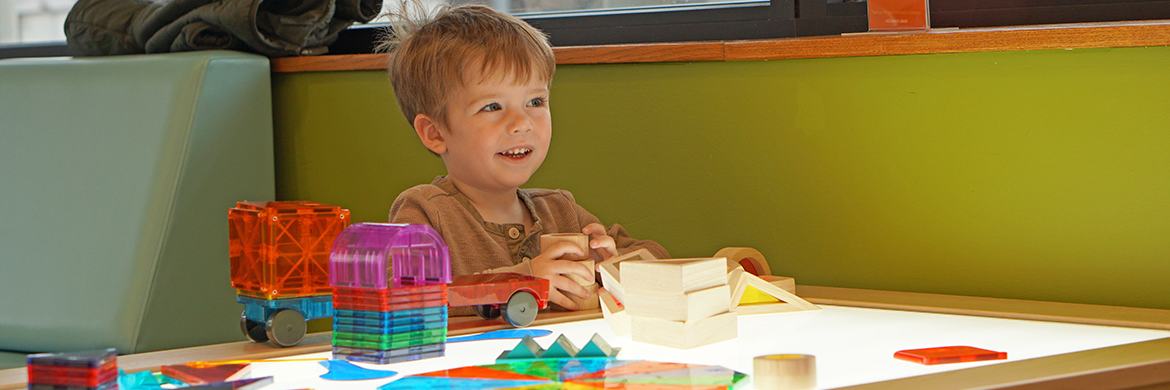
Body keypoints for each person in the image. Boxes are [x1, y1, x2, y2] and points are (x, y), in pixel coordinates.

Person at [380, 3, 669, 311]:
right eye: (492, 107)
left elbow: (662, 263)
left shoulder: (561, 211)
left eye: (535, 101)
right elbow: (406, 299)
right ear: (435, 133)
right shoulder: (425, 212)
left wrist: (615, 265)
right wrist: (523, 279)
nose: (522, 123)